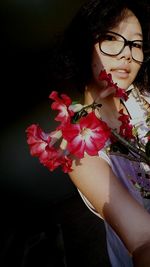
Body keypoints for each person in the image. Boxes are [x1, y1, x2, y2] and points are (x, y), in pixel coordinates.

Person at [45, 0, 150, 266]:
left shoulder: (145, 100)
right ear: (84, 46)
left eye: (136, 44)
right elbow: (142, 241)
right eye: (111, 38)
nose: (127, 54)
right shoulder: (74, 145)